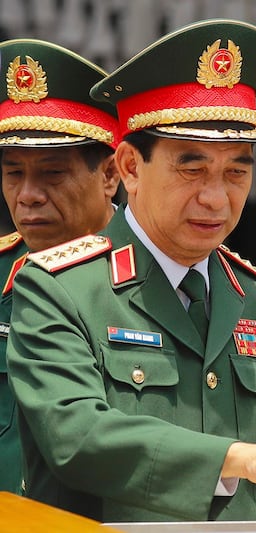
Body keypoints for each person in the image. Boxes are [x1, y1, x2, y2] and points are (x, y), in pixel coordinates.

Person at [6, 19, 256, 523]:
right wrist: (240, 459)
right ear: (129, 167)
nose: (216, 198)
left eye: (236, 171)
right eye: (191, 169)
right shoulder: (58, 288)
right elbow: (77, 435)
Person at [0, 39, 120, 495]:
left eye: (52, 174)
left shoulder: (156, 282)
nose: (28, 194)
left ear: (110, 174)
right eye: (14, 173)